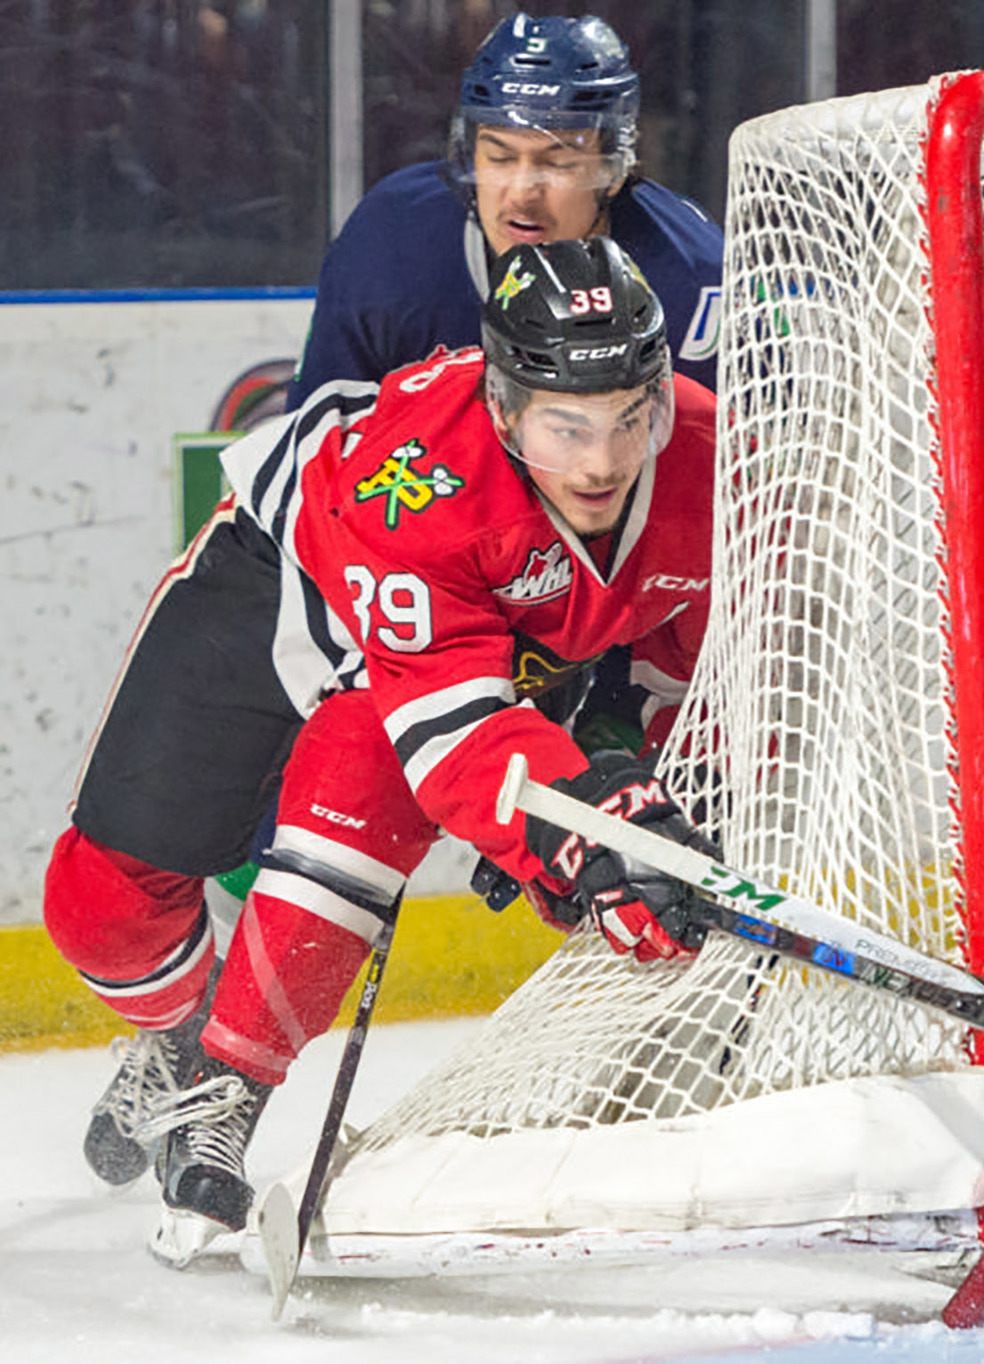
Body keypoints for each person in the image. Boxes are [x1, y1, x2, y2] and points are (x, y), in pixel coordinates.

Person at [44, 237, 718, 1265]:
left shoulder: (711, 464)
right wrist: (566, 824)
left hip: (475, 642)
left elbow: (666, 654)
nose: (601, 460)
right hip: (287, 574)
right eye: (565, 424)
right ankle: (176, 1035)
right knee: (99, 905)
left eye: (631, 415)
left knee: (352, 821)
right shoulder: (426, 483)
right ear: (502, 405)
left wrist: (614, 780)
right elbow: (450, 733)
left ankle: (227, 1087)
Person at [287, 12, 723, 407]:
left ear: (614, 170)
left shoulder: (694, 277)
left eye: (558, 165)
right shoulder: (389, 242)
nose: (522, 195)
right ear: (468, 154)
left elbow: (737, 468)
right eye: (498, 158)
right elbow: (312, 444)